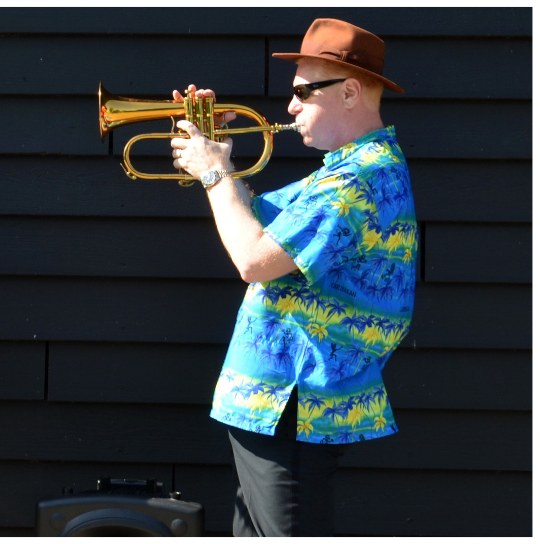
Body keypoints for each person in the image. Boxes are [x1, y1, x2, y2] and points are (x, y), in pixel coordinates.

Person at [170, 19, 417, 536]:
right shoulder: (345, 169)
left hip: (294, 402)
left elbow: (253, 259)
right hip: (280, 404)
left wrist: (214, 173)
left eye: (303, 92)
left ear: (349, 92)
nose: (291, 106)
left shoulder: (357, 178)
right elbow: (256, 222)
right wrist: (216, 152)